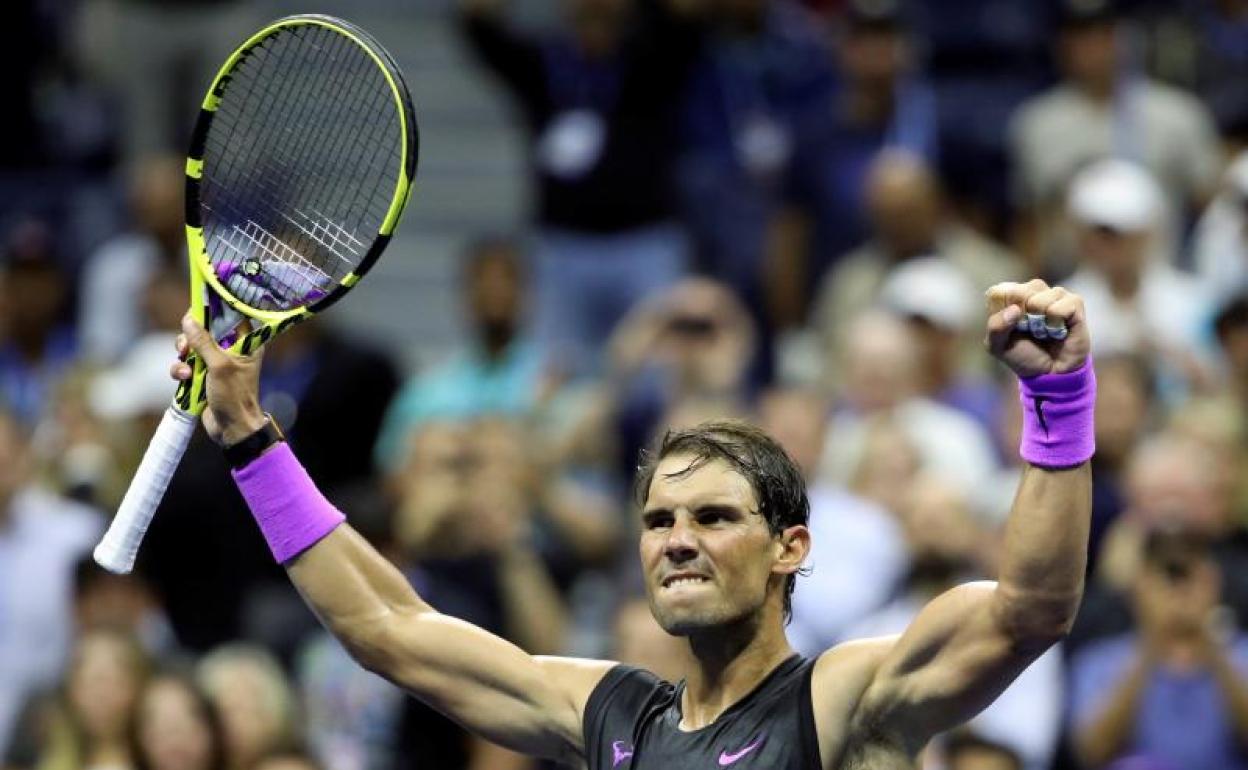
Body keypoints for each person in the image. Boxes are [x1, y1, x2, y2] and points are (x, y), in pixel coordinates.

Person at [169, 275, 1094, 768]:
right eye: (657, 520)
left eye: (712, 516)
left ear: (790, 548)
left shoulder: (842, 698)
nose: (675, 539)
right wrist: (249, 436)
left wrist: (1059, 399)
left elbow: (1029, 612)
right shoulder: (612, 713)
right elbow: (388, 631)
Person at [1070, 529, 1248, 770]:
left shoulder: (1240, 653)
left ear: (1213, 581)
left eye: (1190, 575)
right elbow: (1091, 752)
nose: (1180, 588)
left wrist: (1209, 637)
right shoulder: (1099, 659)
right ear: (1140, 585)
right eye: (1167, 575)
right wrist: (1152, 640)